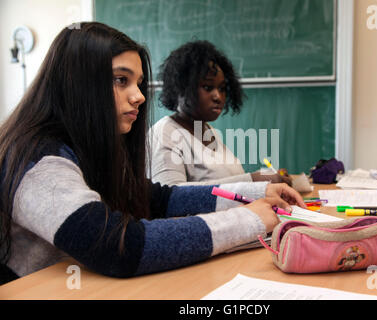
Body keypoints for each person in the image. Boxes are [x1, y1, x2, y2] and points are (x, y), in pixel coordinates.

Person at [0, 22, 305, 283]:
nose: (139, 96)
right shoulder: (38, 159)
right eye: (121, 80)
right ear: (77, 83)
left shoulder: (89, 149)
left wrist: (257, 192)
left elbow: (161, 199)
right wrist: (246, 220)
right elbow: (116, 247)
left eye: (139, 83)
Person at [150, 40, 293, 186]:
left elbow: (227, 184)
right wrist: (254, 179)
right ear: (181, 87)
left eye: (222, 88)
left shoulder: (207, 131)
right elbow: (170, 198)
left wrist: (266, 179)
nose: (218, 96)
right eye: (207, 87)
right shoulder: (163, 134)